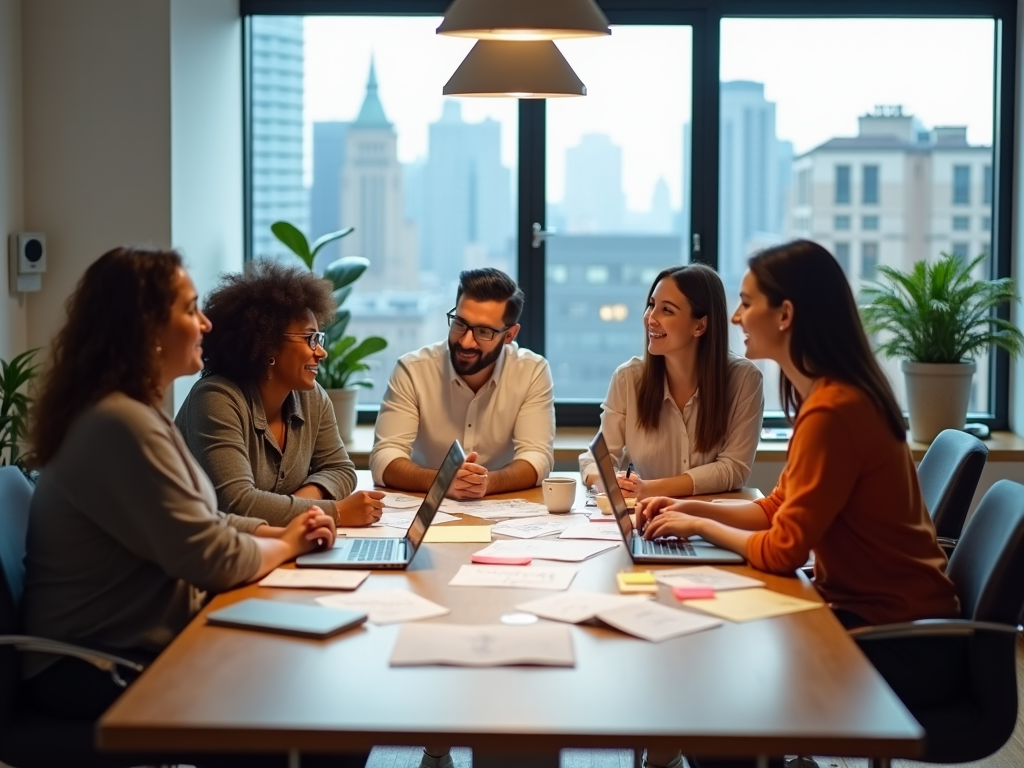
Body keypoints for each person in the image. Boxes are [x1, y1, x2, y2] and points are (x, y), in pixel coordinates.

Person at [636, 240, 961, 768]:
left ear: (785, 314)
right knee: (707, 657)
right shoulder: (828, 397)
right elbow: (777, 507)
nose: (736, 316)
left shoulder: (835, 411)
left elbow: (783, 548)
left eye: (746, 302)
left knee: (707, 695)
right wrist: (691, 514)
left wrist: (700, 524)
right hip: (866, 617)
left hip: (898, 641)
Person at [21, 247, 337, 726]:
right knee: (304, 704)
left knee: (304, 680)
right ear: (145, 329)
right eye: (190, 310)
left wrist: (272, 533)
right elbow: (213, 557)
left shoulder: (133, 413)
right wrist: (291, 538)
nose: (206, 324)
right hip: (95, 667)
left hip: (135, 644)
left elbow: (205, 521)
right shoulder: (122, 423)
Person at [175, 258, 384, 528]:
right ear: (269, 345)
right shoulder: (216, 399)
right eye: (310, 339)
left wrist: (301, 506)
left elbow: (341, 469)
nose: (321, 352)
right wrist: (334, 512)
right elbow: (238, 503)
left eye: (319, 339)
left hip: (269, 547)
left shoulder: (312, 396)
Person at [579, 263, 763, 500]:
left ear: (700, 325)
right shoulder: (628, 379)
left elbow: (734, 468)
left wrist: (649, 489)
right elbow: (595, 459)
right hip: (649, 518)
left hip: (712, 520)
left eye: (667, 310)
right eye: (652, 305)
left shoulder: (744, 380)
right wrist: (609, 482)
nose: (650, 319)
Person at [371, 267, 555, 499]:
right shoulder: (413, 370)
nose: (466, 341)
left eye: (484, 331)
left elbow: (537, 457)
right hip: (424, 507)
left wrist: (486, 483)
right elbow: (384, 458)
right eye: (460, 323)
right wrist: (442, 481)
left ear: (509, 335)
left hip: (499, 510)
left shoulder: (532, 371)